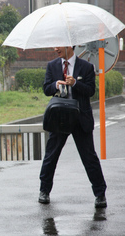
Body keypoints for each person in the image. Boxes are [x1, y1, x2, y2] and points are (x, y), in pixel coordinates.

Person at [39, 45, 107, 208]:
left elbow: (91, 90)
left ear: (69, 45)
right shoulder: (52, 66)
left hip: (80, 119)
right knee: (51, 156)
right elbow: (46, 89)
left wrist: (75, 83)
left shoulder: (86, 67)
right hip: (60, 118)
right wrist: (55, 84)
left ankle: (100, 194)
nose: (56, 49)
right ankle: (44, 191)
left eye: (59, 46)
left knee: (89, 158)